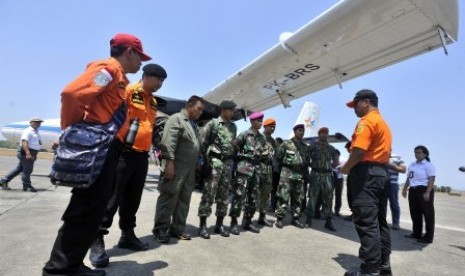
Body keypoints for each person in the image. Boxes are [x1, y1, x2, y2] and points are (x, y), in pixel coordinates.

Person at [43, 33, 151, 276]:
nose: (141, 63)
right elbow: (71, 94)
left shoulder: (119, 78)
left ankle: (71, 263)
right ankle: (60, 268)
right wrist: (71, 130)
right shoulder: (109, 69)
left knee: (92, 208)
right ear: (130, 52)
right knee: (86, 207)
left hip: (107, 148)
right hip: (98, 148)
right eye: (140, 56)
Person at [89, 64, 167, 267]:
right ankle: (96, 238)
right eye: (158, 79)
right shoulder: (129, 91)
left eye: (162, 81)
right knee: (112, 198)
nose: (160, 84)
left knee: (133, 199)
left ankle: (127, 235)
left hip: (142, 155)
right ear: (146, 76)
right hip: (123, 152)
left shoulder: (154, 102)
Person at [341, 89, 392, 276]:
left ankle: (370, 271)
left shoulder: (366, 122)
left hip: (366, 176)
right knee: (379, 223)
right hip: (381, 175)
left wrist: (346, 168)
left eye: (355, 105)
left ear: (365, 102)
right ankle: (384, 266)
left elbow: (360, 151)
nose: (354, 109)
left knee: (367, 224)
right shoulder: (383, 124)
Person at [152, 96, 204, 243]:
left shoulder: (193, 124)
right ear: (189, 105)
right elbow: (168, 143)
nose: (200, 112)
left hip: (188, 170)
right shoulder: (176, 119)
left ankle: (177, 229)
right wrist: (169, 163)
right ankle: (160, 229)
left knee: (184, 200)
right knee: (168, 197)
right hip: (175, 166)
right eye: (198, 109)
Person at [197, 100, 238, 239]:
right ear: (223, 110)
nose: (233, 112)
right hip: (214, 162)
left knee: (224, 196)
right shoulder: (213, 124)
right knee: (209, 194)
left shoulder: (233, 127)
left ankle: (219, 224)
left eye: (233, 110)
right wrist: (205, 161)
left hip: (227, 164)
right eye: (231, 110)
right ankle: (203, 225)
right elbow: (203, 143)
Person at [229, 112, 266, 235]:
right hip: (244, 167)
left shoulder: (262, 138)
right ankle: (234, 223)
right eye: (258, 120)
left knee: (253, 197)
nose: (260, 123)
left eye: (261, 121)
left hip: (256, 170)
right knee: (239, 196)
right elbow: (233, 149)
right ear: (251, 121)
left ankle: (248, 222)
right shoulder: (244, 135)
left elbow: (264, 154)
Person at [274, 124, 308, 229]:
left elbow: (306, 161)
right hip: (287, 173)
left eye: (303, 130)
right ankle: (279, 218)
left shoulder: (305, 147)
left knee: (298, 197)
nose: (301, 132)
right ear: (294, 131)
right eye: (299, 130)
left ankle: (295, 218)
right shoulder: (286, 144)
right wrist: (284, 168)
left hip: (299, 175)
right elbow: (278, 156)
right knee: (283, 196)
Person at [305, 127, 339, 231]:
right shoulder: (312, 147)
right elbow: (306, 158)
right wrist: (313, 165)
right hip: (315, 174)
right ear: (319, 134)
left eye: (326, 133)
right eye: (322, 133)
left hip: (327, 175)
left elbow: (336, 161)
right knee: (312, 197)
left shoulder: (331, 148)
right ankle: (308, 219)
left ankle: (328, 221)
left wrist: (329, 167)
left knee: (328, 198)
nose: (324, 135)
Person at [402, 145, 436, 244]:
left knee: (428, 214)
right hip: (413, 190)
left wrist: (428, 192)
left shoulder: (429, 165)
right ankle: (416, 233)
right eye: (415, 153)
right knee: (415, 213)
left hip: (424, 190)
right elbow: (409, 178)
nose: (416, 154)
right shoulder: (412, 165)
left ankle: (428, 237)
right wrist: (404, 189)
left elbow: (431, 179)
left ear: (425, 154)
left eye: (419, 153)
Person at [1, 118, 43, 192]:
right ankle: (27, 185)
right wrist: (28, 153)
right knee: (27, 170)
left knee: (19, 169)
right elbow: (24, 142)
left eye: (39, 122)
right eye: (36, 122)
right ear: (31, 123)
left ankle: (3, 181)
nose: (38, 123)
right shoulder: (28, 131)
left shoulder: (36, 131)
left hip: (31, 152)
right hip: (26, 152)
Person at [257, 118, 277, 227]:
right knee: (253, 194)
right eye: (271, 126)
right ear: (265, 126)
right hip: (259, 167)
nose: (273, 128)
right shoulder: (259, 137)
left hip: (268, 170)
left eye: (274, 127)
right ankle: (248, 219)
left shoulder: (273, 141)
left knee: (265, 195)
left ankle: (262, 217)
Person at [386, 154, 406, 230]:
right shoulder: (379, 154)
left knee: (394, 204)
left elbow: (403, 170)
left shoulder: (397, 157)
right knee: (380, 204)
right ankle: (381, 222)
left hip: (392, 184)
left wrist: (390, 165)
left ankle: (396, 223)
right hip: (380, 183)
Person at [268, 137, 283, 212]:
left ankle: (272, 207)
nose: (275, 143)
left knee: (274, 190)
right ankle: (276, 206)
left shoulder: (278, 149)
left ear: (278, 142)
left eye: (276, 142)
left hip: (276, 172)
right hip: (280, 172)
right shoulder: (283, 149)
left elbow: (274, 161)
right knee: (277, 190)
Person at [333, 149, 344, 216]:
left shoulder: (342, 162)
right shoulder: (329, 163)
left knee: (338, 195)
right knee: (329, 195)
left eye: (336, 155)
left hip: (339, 179)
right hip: (331, 179)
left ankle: (337, 210)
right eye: (333, 155)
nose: (334, 156)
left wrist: (337, 167)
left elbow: (343, 170)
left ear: (338, 155)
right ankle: (327, 209)